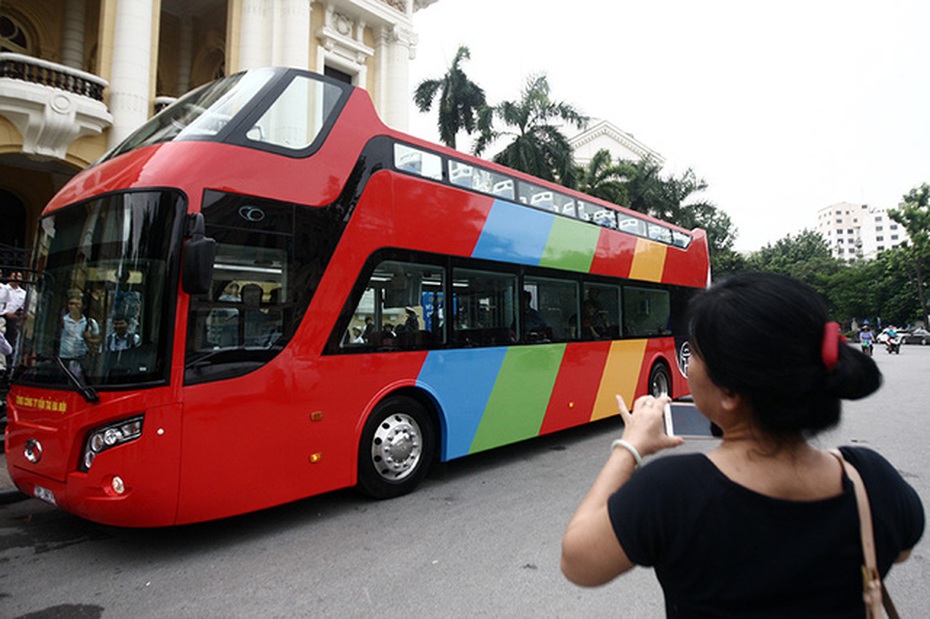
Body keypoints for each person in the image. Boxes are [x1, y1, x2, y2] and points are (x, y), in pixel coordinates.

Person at [561, 272, 924, 616]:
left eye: (696, 353)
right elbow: (902, 550)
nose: (689, 363)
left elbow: (578, 563)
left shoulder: (672, 491)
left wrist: (630, 447)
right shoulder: (871, 479)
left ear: (730, 391)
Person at [59, 292, 101, 362]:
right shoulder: (63, 320)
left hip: (81, 358)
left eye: (77, 304)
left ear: (83, 306)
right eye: (71, 304)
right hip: (63, 358)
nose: (73, 307)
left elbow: (98, 341)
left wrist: (89, 339)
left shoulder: (90, 322)